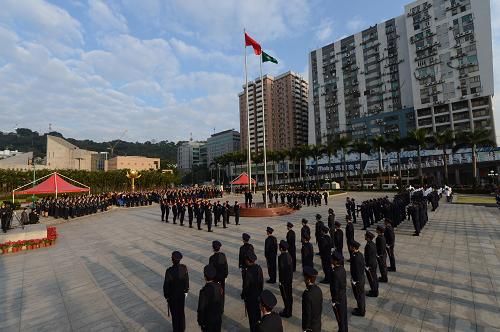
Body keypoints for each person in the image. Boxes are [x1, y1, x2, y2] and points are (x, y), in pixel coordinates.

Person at [163, 251, 189, 332]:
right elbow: (186, 281)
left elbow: (166, 285)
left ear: (172, 260)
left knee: (175, 315)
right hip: (181, 295)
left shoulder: (169, 271)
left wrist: (166, 296)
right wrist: (186, 291)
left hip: (172, 297)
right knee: (181, 312)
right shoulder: (184, 268)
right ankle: (182, 328)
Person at [242, 252, 264, 332]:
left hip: (250, 298)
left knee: (252, 317)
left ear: (248, 261)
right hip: (258, 296)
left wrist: (243, 296)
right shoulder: (259, 268)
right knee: (257, 315)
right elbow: (261, 282)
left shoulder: (248, 272)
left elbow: (245, 287)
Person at [197, 265, 223, 332]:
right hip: (217, 318)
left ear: (205, 277)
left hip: (208, 321)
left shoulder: (204, 291)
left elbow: (201, 308)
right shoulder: (219, 287)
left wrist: (200, 321)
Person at [330, 252, 348, 332]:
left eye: (332, 259)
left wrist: (334, 301)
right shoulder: (342, 269)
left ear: (335, 261)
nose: (331, 260)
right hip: (343, 296)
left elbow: (335, 288)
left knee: (340, 318)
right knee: (343, 317)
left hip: (338, 299)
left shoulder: (335, 273)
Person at [209, 241, 228, 312]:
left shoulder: (211, 258)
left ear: (213, 248)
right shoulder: (223, 255)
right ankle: (221, 308)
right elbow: (226, 266)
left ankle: (216, 307)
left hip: (215, 279)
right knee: (222, 293)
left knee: (215, 293)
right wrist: (226, 275)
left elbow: (210, 270)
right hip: (222, 278)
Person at [302, 266, 323, 332]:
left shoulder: (307, 294)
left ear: (308, 280)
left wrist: (306, 328)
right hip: (317, 324)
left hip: (310, 327)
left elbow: (307, 313)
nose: (304, 280)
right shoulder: (318, 290)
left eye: (305, 278)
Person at [350, 241, 365, 317]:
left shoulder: (355, 257)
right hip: (361, 278)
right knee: (360, 296)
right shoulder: (359, 254)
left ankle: (361, 311)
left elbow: (356, 270)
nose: (350, 247)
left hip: (358, 280)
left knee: (359, 296)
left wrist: (355, 281)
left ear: (354, 247)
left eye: (351, 246)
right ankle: (361, 308)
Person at [278, 240, 293, 318]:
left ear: (281, 248)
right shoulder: (289, 255)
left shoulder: (281, 257)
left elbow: (281, 271)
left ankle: (287, 312)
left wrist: (280, 282)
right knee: (289, 296)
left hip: (284, 281)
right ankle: (289, 310)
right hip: (289, 280)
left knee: (286, 296)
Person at [364, 231, 379, 297]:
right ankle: (374, 290)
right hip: (373, 263)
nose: (364, 236)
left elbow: (369, 257)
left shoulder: (369, 246)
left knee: (372, 279)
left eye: (365, 236)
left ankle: (374, 292)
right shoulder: (372, 244)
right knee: (374, 278)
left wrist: (368, 266)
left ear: (368, 238)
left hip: (371, 265)